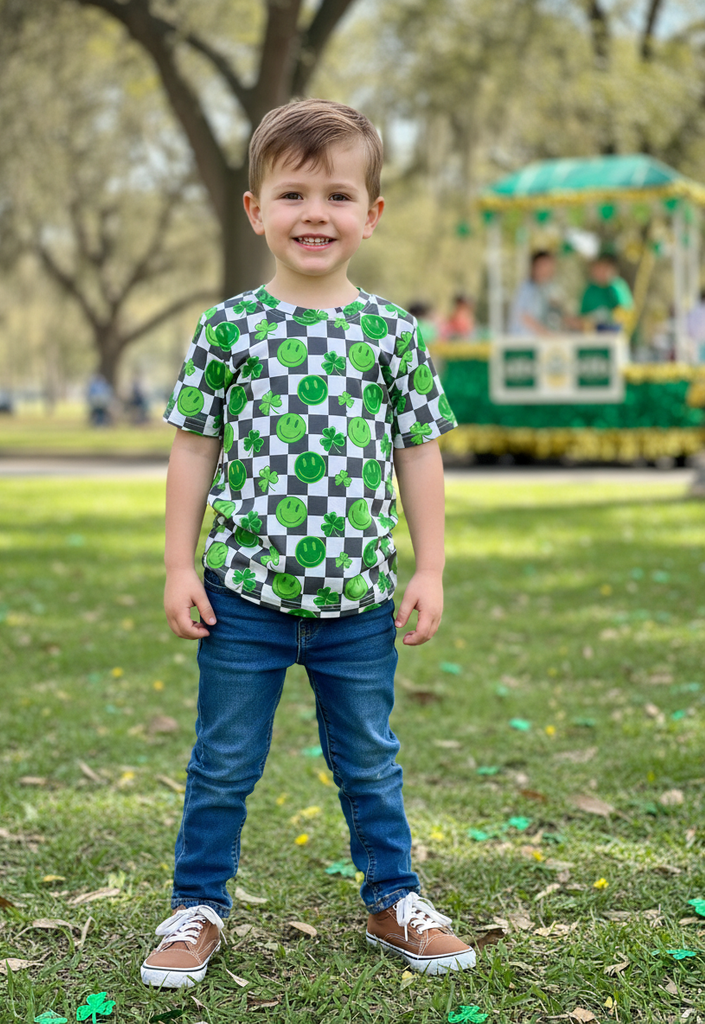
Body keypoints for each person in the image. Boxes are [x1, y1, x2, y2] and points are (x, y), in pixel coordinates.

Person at [141, 98, 474, 991]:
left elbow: (420, 453)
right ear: (256, 211)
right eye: (292, 195)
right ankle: (197, 906)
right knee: (221, 762)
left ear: (371, 214)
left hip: (358, 601)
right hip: (241, 595)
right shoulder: (229, 330)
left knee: (368, 759)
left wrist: (430, 567)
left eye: (336, 195)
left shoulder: (392, 336)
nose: (314, 214)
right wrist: (179, 563)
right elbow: (192, 448)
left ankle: (392, 899)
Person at [508, 250, 562, 335]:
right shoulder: (526, 289)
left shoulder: (546, 289)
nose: (549, 270)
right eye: (545, 265)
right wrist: (546, 334)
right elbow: (524, 317)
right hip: (523, 343)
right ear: (535, 267)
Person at [578, 251, 633, 330]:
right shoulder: (590, 290)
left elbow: (626, 314)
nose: (599, 270)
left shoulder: (617, 287)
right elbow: (582, 316)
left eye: (603, 267)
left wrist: (607, 317)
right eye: (597, 267)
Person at [686, 288, 705, 364]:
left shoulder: (694, 310)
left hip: (696, 342)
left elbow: (688, 327)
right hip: (698, 342)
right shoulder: (697, 310)